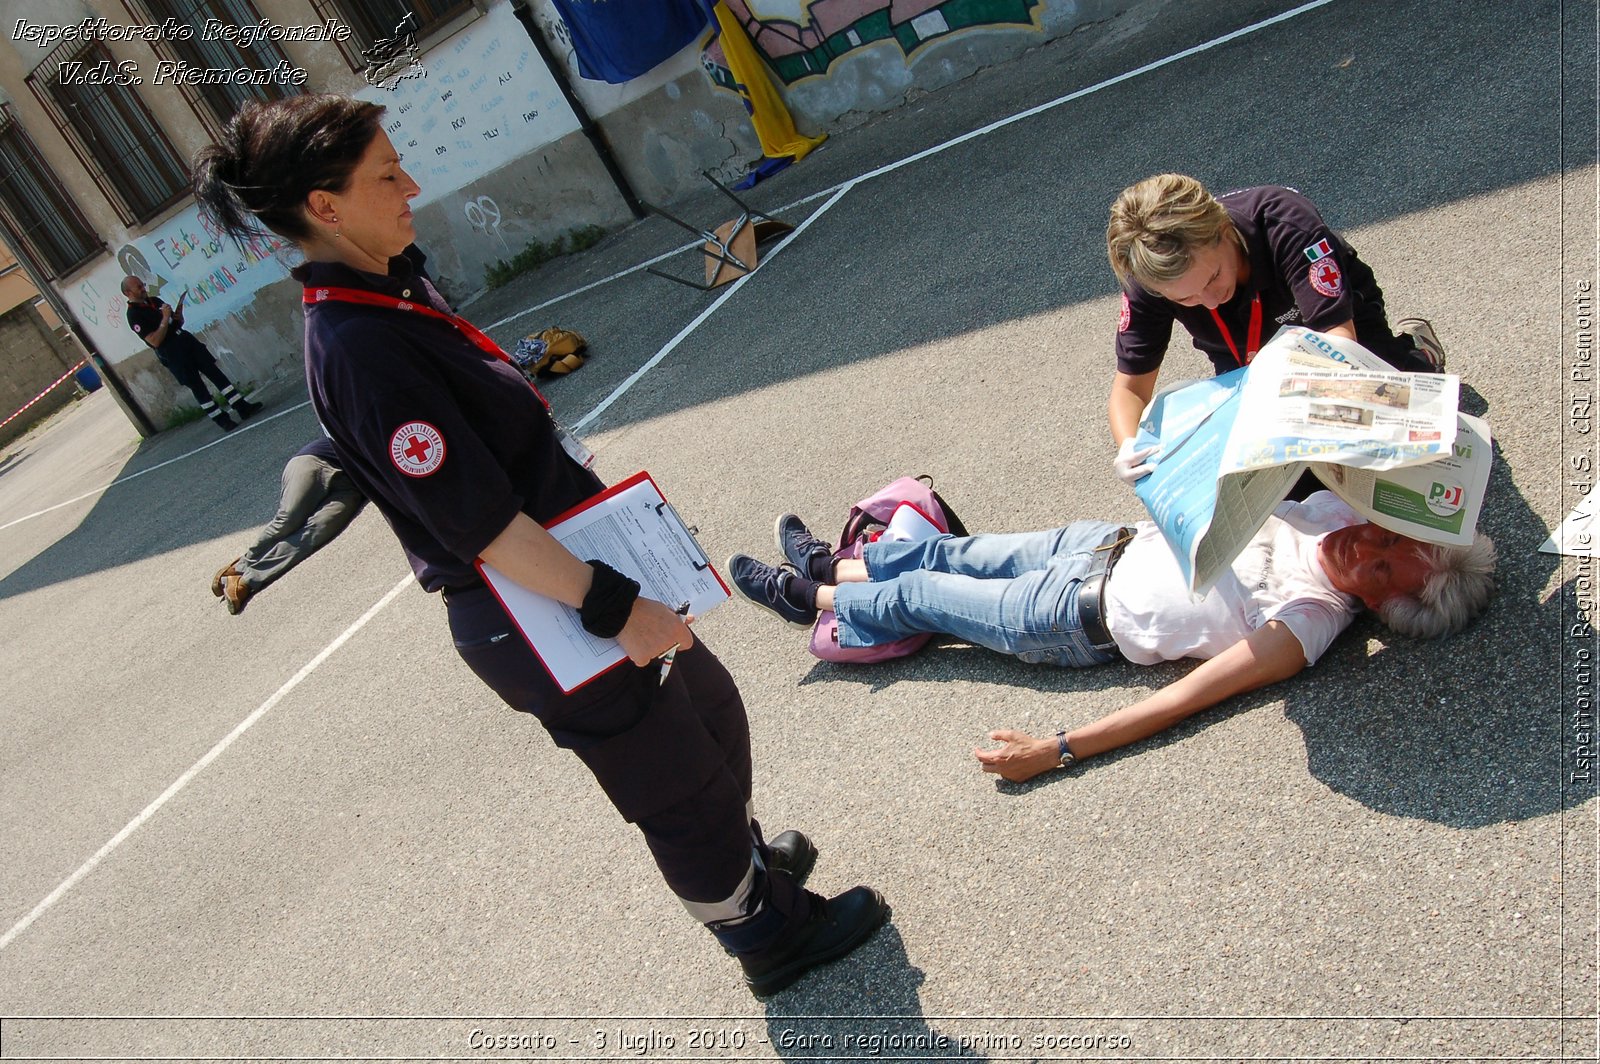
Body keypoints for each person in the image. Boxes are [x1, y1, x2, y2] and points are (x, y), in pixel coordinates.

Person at [190, 94, 886, 998]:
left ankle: (746, 868)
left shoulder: (390, 283)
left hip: (573, 561)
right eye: (386, 175)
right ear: (325, 207)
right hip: (535, 599)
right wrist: (611, 603)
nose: (412, 186)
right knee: (675, 787)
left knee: (710, 717)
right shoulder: (355, 340)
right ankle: (765, 937)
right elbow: (476, 523)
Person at [727, 494, 1495, 783]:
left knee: (928, 596)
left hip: (1072, 620)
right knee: (948, 552)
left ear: (1386, 610)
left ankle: (809, 597)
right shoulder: (1333, 505)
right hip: (1104, 542)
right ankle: (841, 566)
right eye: (1387, 535)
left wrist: (1056, 750)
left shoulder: (1309, 623)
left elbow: (1185, 699)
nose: (1365, 547)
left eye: (1383, 569)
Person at [1105, 174, 1446, 486]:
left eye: (1213, 278)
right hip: (1241, 352)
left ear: (1225, 230)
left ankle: (1417, 351)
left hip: (1329, 325)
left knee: (1395, 426)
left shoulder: (1287, 222)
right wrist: (1129, 446)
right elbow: (1131, 389)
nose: (1209, 302)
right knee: (1285, 483)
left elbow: (1338, 342)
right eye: (1186, 298)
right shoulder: (1147, 278)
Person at [211, 438, 368, 615]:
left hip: (352, 487)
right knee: (290, 517)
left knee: (318, 529)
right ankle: (241, 565)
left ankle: (245, 581)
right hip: (317, 459)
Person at [123, 274, 261, 432]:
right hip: (172, 352)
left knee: (214, 372)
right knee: (197, 386)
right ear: (128, 293)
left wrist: (177, 317)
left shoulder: (155, 301)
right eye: (138, 287)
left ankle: (242, 407)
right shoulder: (133, 315)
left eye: (142, 285)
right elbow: (154, 340)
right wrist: (165, 319)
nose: (143, 289)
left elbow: (174, 323)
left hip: (186, 341)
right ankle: (222, 420)